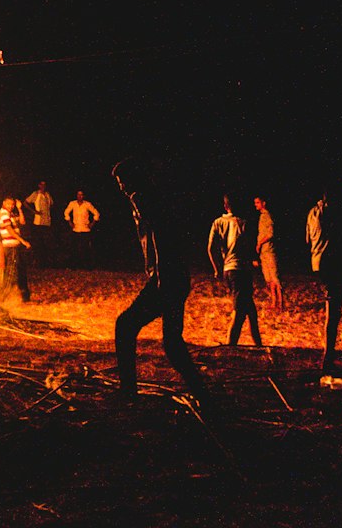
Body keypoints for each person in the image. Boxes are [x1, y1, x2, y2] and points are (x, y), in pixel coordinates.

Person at [111, 158, 206, 403]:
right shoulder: (149, 197)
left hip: (168, 277)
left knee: (125, 326)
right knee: (172, 344)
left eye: (123, 182)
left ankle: (128, 393)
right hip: (174, 276)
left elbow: (161, 235)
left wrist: (161, 276)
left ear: (134, 179)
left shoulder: (144, 197)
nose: (121, 188)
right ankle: (203, 394)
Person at [305, 179, 342, 380]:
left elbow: (307, 239)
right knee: (335, 310)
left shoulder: (312, 211)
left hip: (317, 262)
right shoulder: (333, 211)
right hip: (331, 262)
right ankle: (328, 361)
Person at [208, 194, 262, 347]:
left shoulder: (218, 223)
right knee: (239, 311)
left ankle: (259, 345)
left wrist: (217, 269)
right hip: (241, 270)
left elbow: (211, 248)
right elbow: (248, 247)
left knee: (250, 310)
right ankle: (230, 346)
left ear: (225, 206)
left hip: (228, 269)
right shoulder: (243, 223)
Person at [253, 194, 283, 313]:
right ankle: (273, 301)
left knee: (275, 278)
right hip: (264, 252)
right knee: (269, 279)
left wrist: (260, 243)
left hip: (269, 251)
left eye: (258, 203)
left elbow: (270, 234)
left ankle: (280, 303)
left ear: (263, 203)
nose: (256, 205)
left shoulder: (267, 216)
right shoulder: (261, 217)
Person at [0, 197, 29, 300]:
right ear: (4, 203)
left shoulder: (11, 213)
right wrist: (22, 241)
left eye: (12, 204)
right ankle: (3, 297)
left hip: (16, 245)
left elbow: (22, 222)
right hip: (10, 245)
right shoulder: (4, 213)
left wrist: (20, 209)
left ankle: (24, 295)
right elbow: (9, 229)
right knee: (11, 271)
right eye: (8, 204)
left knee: (20, 270)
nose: (10, 206)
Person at [64, 189, 100, 267]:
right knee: (74, 248)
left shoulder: (87, 204)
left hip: (85, 229)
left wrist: (92, 223)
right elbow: (66, 212)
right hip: (76, 229)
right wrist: (69, 222)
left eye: (81, 195)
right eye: (78, 195)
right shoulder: (72, 204)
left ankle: (86, 266)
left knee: (85, 248)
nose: (79, 196)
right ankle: (74, 266)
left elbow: (96, 213)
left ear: (83, 196)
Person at [25, 181, 54, 266]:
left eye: (44, 184)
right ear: (39, 185)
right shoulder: (35, 194)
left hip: (47, 221)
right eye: (41, 184)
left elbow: (51, 204)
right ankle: (39, 262)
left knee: (46, 242)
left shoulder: (48, 194)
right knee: (38, 242)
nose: (43, 186)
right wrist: (34, 211)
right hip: (38, 222)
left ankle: (45, 262)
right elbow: (26, 202)